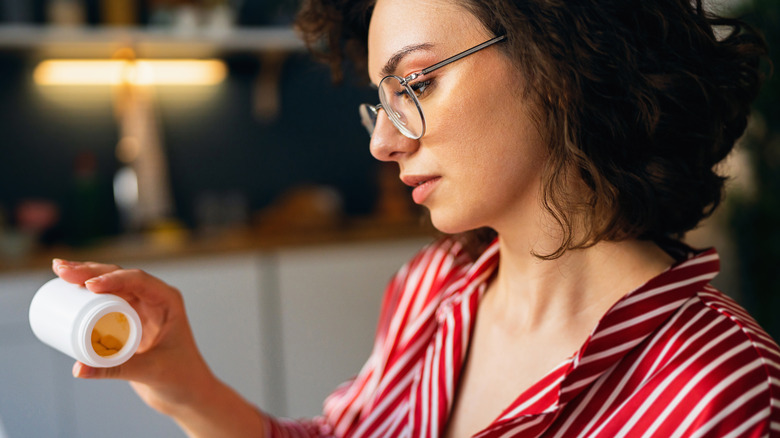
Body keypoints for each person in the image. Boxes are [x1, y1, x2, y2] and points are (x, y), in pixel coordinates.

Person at [52, 0, 780, 436]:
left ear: (566, 50)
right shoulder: (434, 288)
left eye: (419, 81)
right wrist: (185, 385)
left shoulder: (723, 388)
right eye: (381, 96)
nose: (383, 139)